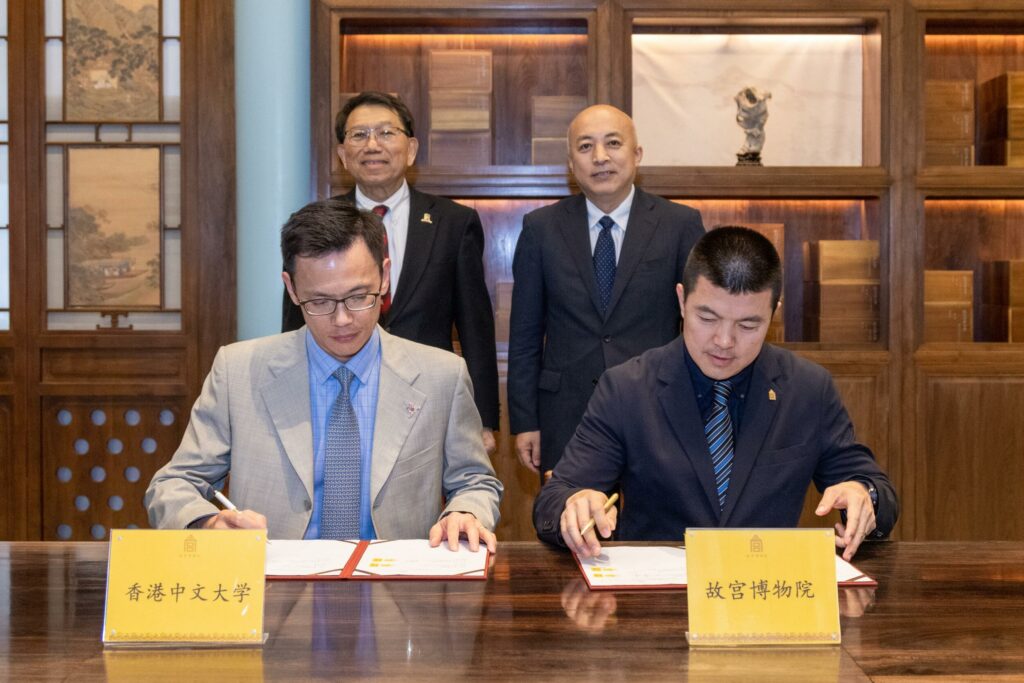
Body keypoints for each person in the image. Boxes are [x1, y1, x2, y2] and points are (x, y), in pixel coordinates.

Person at [148, 199, 502, 551]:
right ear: (291, 288)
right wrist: (208, 523)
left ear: (385, 275)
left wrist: (464, 512)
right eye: (319, 302)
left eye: (359, 296)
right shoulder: (238, 371)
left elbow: (474, 480)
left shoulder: (441, 375)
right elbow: (174, 483)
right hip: (276, 591)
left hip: (397, 590)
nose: (343, 319)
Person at [533, 227, 897, 561]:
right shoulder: (627, 388)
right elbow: (555, 497)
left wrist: (864, 495)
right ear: (681, 300)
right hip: (658, 602)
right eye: (707, 318)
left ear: (774, 313)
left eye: (748, 324)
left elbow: (876, 489)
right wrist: (575, 503)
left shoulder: (807, 388)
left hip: (767, 593)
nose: (724, 341)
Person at [282, 91, 500, 453]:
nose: (372, 145)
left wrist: (484, 418)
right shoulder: (314, 222)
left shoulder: (453, 222)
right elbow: (296, 320)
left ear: (411, 149)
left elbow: (476, 328)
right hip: (336, 391)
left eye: (386, 133)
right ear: (342, 155)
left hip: (427, 397)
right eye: (359, 135)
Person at [508, 104, 705, 478]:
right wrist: (525, 420)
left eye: (613, 143)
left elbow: (698, 322)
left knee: (653, 524)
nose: (600, 157)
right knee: (571, 525)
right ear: (570, 162)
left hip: (659, 406)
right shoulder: (541, 228)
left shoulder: (679, 224)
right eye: (585, 147)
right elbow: (525, 336)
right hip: (565, 413)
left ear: (637, 154)